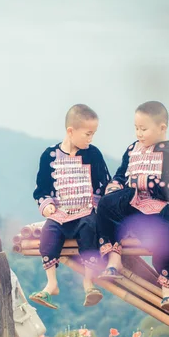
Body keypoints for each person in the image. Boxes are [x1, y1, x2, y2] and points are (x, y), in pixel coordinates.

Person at [96, 101, 169, 311]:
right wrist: (114, 187)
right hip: (130, 203)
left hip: (159, 207)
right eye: (136, 128)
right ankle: (114, 259)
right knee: (105, 205)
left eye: (144, 129)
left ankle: (168, 289)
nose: (139, 133)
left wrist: (145, 182)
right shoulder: (132, 150)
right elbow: (121, 175)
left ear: (162, 128)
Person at [29, 104, 111, 309]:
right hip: (60, 213)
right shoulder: (49, 156)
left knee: (89, 228)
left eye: (93, 134)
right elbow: (42, 190)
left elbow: (105, 184)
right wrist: (47, 205)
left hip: (86, 211)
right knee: (48, 231)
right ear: (71, 131)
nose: (90, 139)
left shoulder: (93, 155)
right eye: (88, 134)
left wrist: (101, 207)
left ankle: (88, 282)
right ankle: (51, 283)